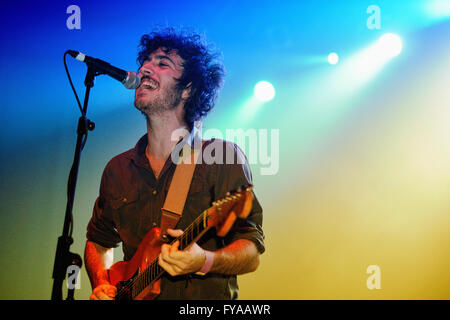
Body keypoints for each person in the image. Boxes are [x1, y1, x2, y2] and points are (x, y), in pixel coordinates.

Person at [84, 28, 265, 300]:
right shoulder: (117, 169)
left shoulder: (221, 157)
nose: (145, 68)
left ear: (187, 89)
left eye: (162, 63)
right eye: (145, 61)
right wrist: (101, 282)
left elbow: (250, 251)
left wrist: (203, 260)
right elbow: (98, 240)